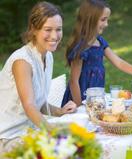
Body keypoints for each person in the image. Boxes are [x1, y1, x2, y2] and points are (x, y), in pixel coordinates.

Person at [0, 1, 77, 155]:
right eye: (48, 29)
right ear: (34, 30)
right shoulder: (22, 61)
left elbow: (37, 102)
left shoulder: (47, 56)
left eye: (58, 29)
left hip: (29, 130)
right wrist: (52, 132)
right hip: (8, 137)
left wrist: (60, 111)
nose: (55, 36)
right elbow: (29, 105)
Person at [61, 0, 132, 107]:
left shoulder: (100, 42)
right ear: (90, 20)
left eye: (107, 20)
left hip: (95, 100)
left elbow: (119, 62)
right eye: (103, 20)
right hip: (78, 101)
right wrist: (80, 107)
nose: (106, 24)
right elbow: (74, 81)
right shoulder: (81, 48)